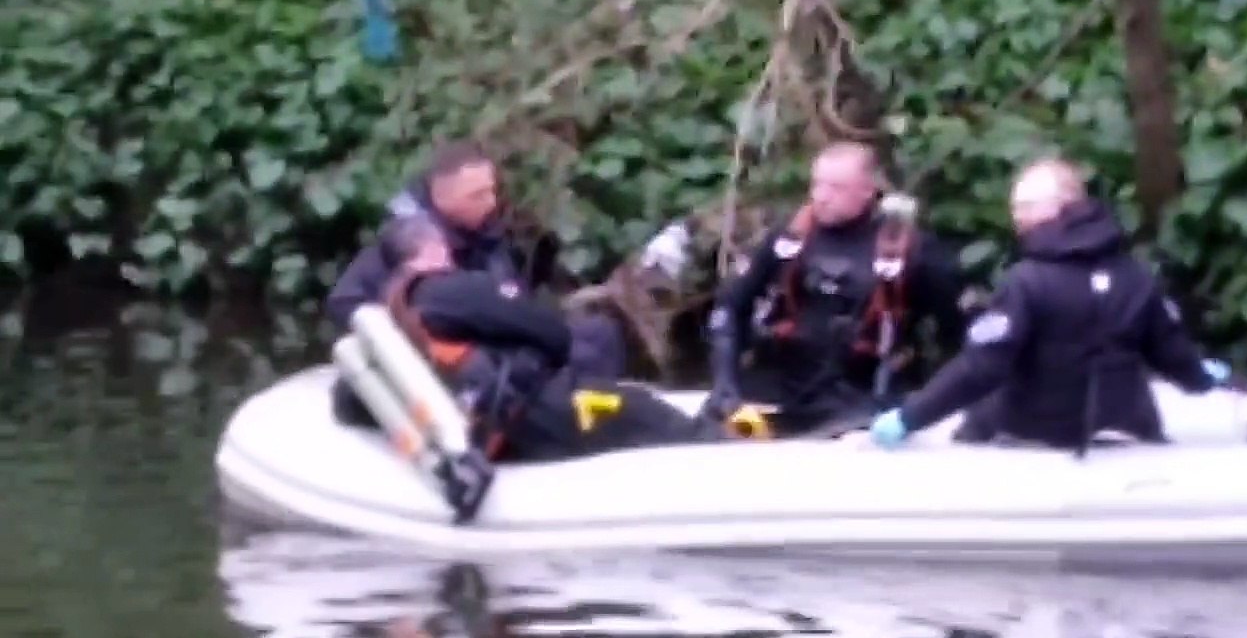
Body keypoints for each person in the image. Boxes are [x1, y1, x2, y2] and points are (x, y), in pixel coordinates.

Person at [868, 158, 1229, 451]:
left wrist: (910, 417)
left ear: (1063, 207)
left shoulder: (1029, 281)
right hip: (1127, 426)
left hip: (1034, 435)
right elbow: (1171, 351)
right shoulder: (1135, 275)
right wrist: (1200, 378)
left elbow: (982, 368)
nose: (1017, 218)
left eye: (1025, 207)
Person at [370, 215, 726, 463]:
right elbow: (549, 330)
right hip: (535, 412)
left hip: (494, 421)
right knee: (644, 408)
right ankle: (723, 450)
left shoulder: (395, 315)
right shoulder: (446, 290)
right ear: (428, 252)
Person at [702, 141, 969, 436]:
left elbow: (959, 335)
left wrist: (928, 405)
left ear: (868, 191)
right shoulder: (788, 239)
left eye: (836, 188)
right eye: (817, 185)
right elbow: (729, 308)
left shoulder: (913, 251)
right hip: (780, 392)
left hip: (863, 405)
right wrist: (725, 383)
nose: (821, 197)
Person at [324, 139, 630, 379]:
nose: (491, 203)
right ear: (442, 196)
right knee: (572, 352)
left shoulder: (487, 234)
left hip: (506, 329)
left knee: (601, 333)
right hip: (466, 355)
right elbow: (344, 302)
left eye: (491, 191)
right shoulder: (408, 242)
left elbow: (514, 294)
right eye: (477, 195)